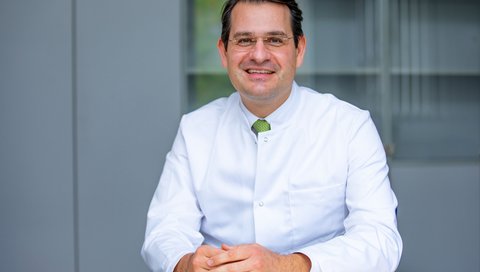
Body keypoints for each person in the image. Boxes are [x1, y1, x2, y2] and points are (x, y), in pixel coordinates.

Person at [141, 0, 403, 271]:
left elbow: (380, 240)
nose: (258, 54)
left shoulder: (350, 127)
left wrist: (285, 266)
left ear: (299, 49)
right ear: (224, 51)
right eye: (244, 40)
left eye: (275, 40)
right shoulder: (195, 129)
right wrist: (186, 264)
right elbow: (165, 229)